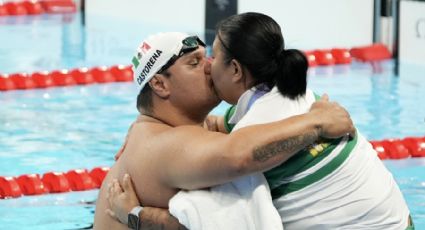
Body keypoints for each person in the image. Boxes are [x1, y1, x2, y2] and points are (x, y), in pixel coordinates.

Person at [106, 13, 414, 230]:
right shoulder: (285, 91)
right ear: (160, 85)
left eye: (209, 57)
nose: (209, 68)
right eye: (195, 62)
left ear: (236, 71)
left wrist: (135, 215)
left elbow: (236, 164)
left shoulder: (256, 128)